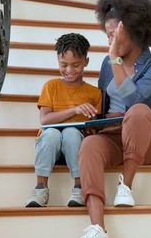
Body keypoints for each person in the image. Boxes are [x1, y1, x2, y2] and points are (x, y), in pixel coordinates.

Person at [78, 0, 151, 238]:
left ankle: (126, 185)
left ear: (135, 31)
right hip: (113, 136)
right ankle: (97, 226)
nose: (110, 41)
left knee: (138, 111)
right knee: (89, 146)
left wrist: (115, 59)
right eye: (108, 36)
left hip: (147, 139)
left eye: (114, 35)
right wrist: (93, 121)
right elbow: (103, 102)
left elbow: (134, 100)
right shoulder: (107, 64)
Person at [25, 33, 102, 207]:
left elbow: (96, 127)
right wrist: (75, 109)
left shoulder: (94, 93)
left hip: (76, 147)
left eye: (75, 65)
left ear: (86, 62)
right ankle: (41, 188)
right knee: (52, 133)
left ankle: (79, 187)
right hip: (49, 145)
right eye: (63, 65)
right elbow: (45, 120)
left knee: (71, 133)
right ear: (57, 61)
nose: (69, 70)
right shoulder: (51, 86)